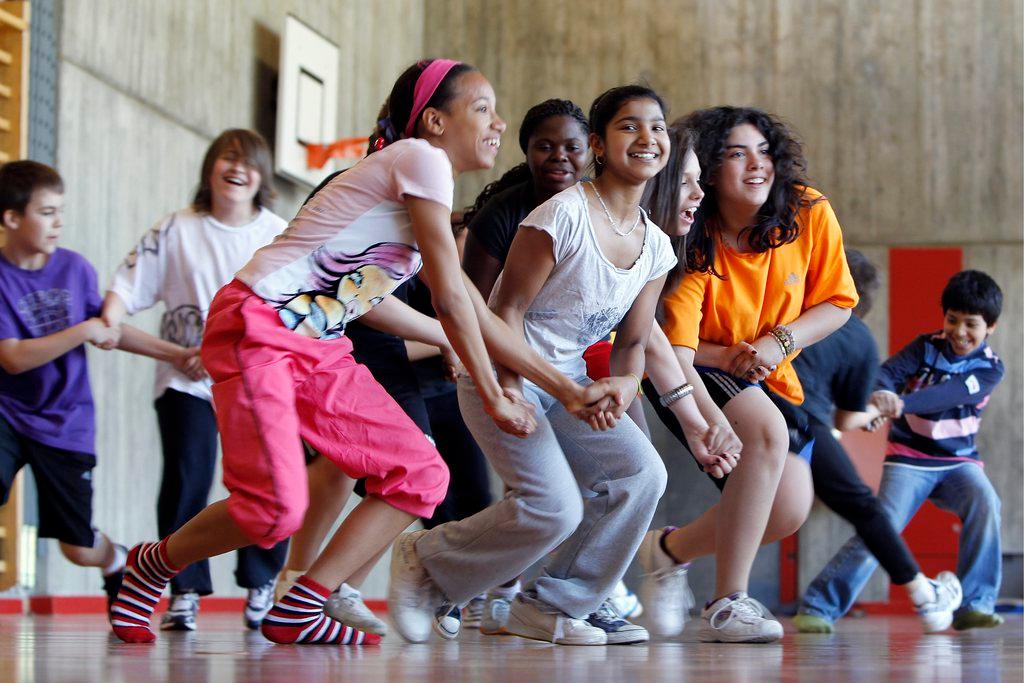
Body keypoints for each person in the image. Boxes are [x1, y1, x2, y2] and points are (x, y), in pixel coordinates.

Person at [107, 57, 611, 646]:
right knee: (273, 510)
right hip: (258, 325)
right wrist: (494, 390)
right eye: (482, 108)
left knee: (420, 476)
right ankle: (152, 562)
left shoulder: (411, 188)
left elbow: (397, 304)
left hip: (318, 343)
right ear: (434, 122)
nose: (498, 122)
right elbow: (451, 296)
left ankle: (303, 604)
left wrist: (566, 388)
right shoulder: (421, 160)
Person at [388, 84, 691, 646]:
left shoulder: (656, 246)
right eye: (629, 127)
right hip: (503, 378)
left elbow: (631, 344)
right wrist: (508, 390)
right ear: (598, 144)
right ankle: (425, 557)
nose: (647, 138)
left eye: (657, 127)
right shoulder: (562, 214)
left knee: (642, 474)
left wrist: (623, 388)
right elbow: (505, 311)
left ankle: (552, 605)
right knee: (553, 510)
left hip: (573, 384)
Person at [637, 107, 858, 643]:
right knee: (764, 432)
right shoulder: (692, 237)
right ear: (709, 171)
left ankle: (666, 552)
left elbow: (838, 302)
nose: (756, 165)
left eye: (764, 152)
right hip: (694, 364)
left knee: (786, 511)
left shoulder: (807, 211)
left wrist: (779, 342)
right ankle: (728, 604)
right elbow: (677, 353)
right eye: (737, 154)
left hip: (766, 364)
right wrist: (709, 412)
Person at [101, 129, 290, 632]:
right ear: (210, 168)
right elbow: (126, 285)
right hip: (186, 382)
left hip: (256, 382)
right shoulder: (177, 228)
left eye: (249, 163)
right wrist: (110, 319)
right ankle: (182, 589)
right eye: (227, 158)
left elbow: (297, 306)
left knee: (270, 482)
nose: (238, 169)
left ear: (262, 178)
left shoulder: (278, 232)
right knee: (187, 479)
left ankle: (261, 583)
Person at [0, 160, 186, 610]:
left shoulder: (74, 269)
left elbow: (110, 329)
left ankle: (116, 559)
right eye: (46, 212)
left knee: (77, 546)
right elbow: (13, 358)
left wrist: (178, 355)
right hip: (7, 414)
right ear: (11, 218)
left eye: (60, 211)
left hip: (66, 423)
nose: (58, 221)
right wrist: (83, 331)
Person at [797, 270, 1005, 632]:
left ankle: (975, 603)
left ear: (991, 327)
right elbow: (886, 374)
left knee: (986, 501)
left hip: (959, 464)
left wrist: (897, 405)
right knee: (881, 526)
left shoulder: (989, 368)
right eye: (952, 320)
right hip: (909, 460)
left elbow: (947, 395)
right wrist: (881, 396)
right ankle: (819, 605)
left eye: (970, 324)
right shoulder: (924, 347)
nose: (959, 331)